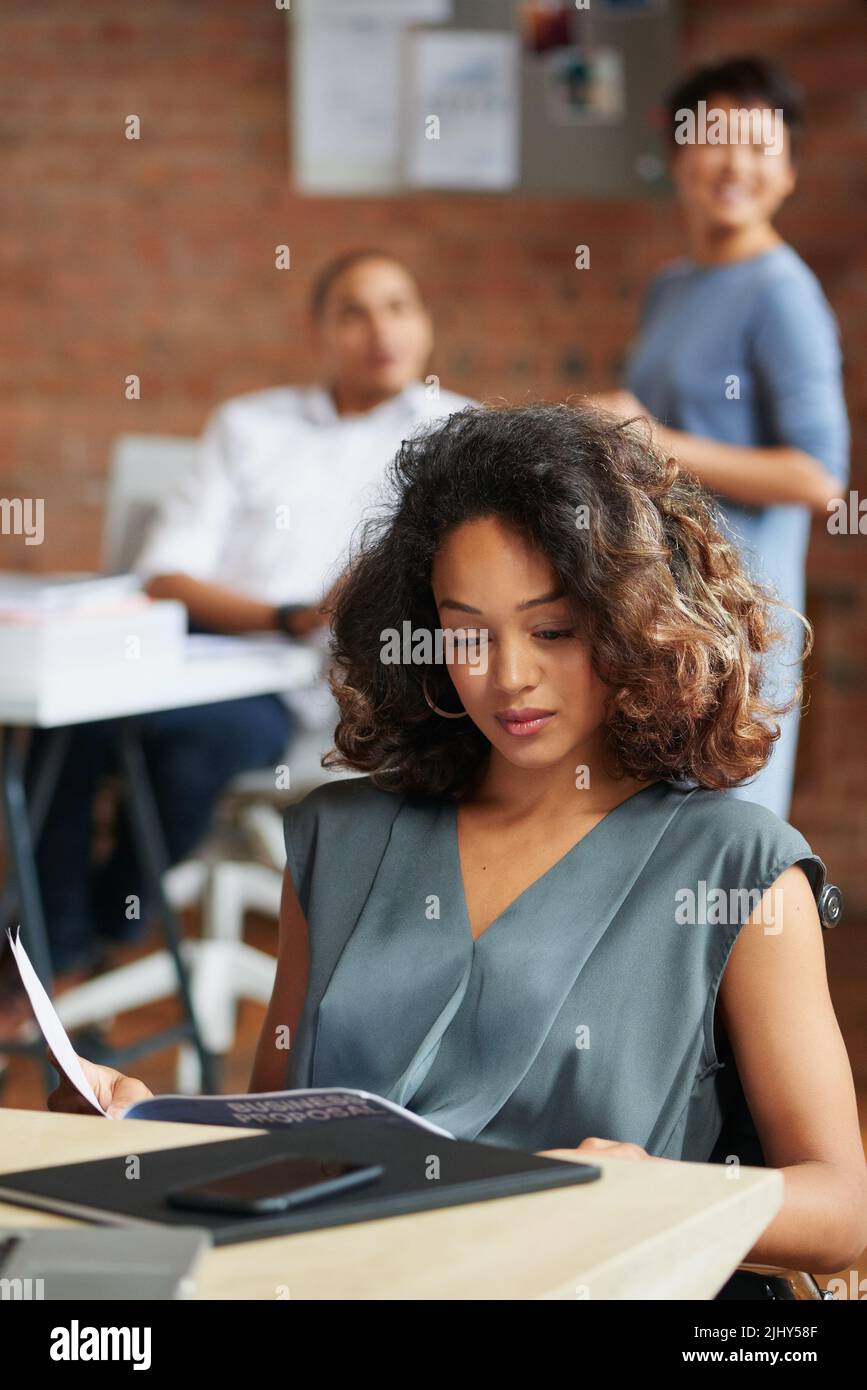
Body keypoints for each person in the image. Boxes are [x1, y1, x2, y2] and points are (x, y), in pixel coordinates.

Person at [50, 404, 867, 1274]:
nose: (504, 675)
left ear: (634, 620)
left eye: (551, 630)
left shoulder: (736, 868)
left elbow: (843, 1211)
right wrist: (144, 1125)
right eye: (466, 631)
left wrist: (653, 1190)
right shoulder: (338, 840)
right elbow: (276, 1140)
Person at [0, 250, 472, 1035]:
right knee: (61, 727)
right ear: (318, 329)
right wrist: (288, 614)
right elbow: (165, 573)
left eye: (398, 306)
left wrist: (337, 623)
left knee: (186, 749)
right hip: (206, 653)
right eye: (354, 311)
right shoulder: (251, 424)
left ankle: (103, 933)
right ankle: (57, 952)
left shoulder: (453, 436)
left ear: (423, 323)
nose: (380, 330)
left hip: (319, 692)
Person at [597, 56, 850, 820]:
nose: (734, 164)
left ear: (787, 174)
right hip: (656, 610)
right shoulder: (673, 284)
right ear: (676, 154)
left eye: (759, 147)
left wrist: (650, 436)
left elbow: (816, 478)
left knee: (722, 849)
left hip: (737, 622)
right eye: (714, 138)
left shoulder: (782, 292)